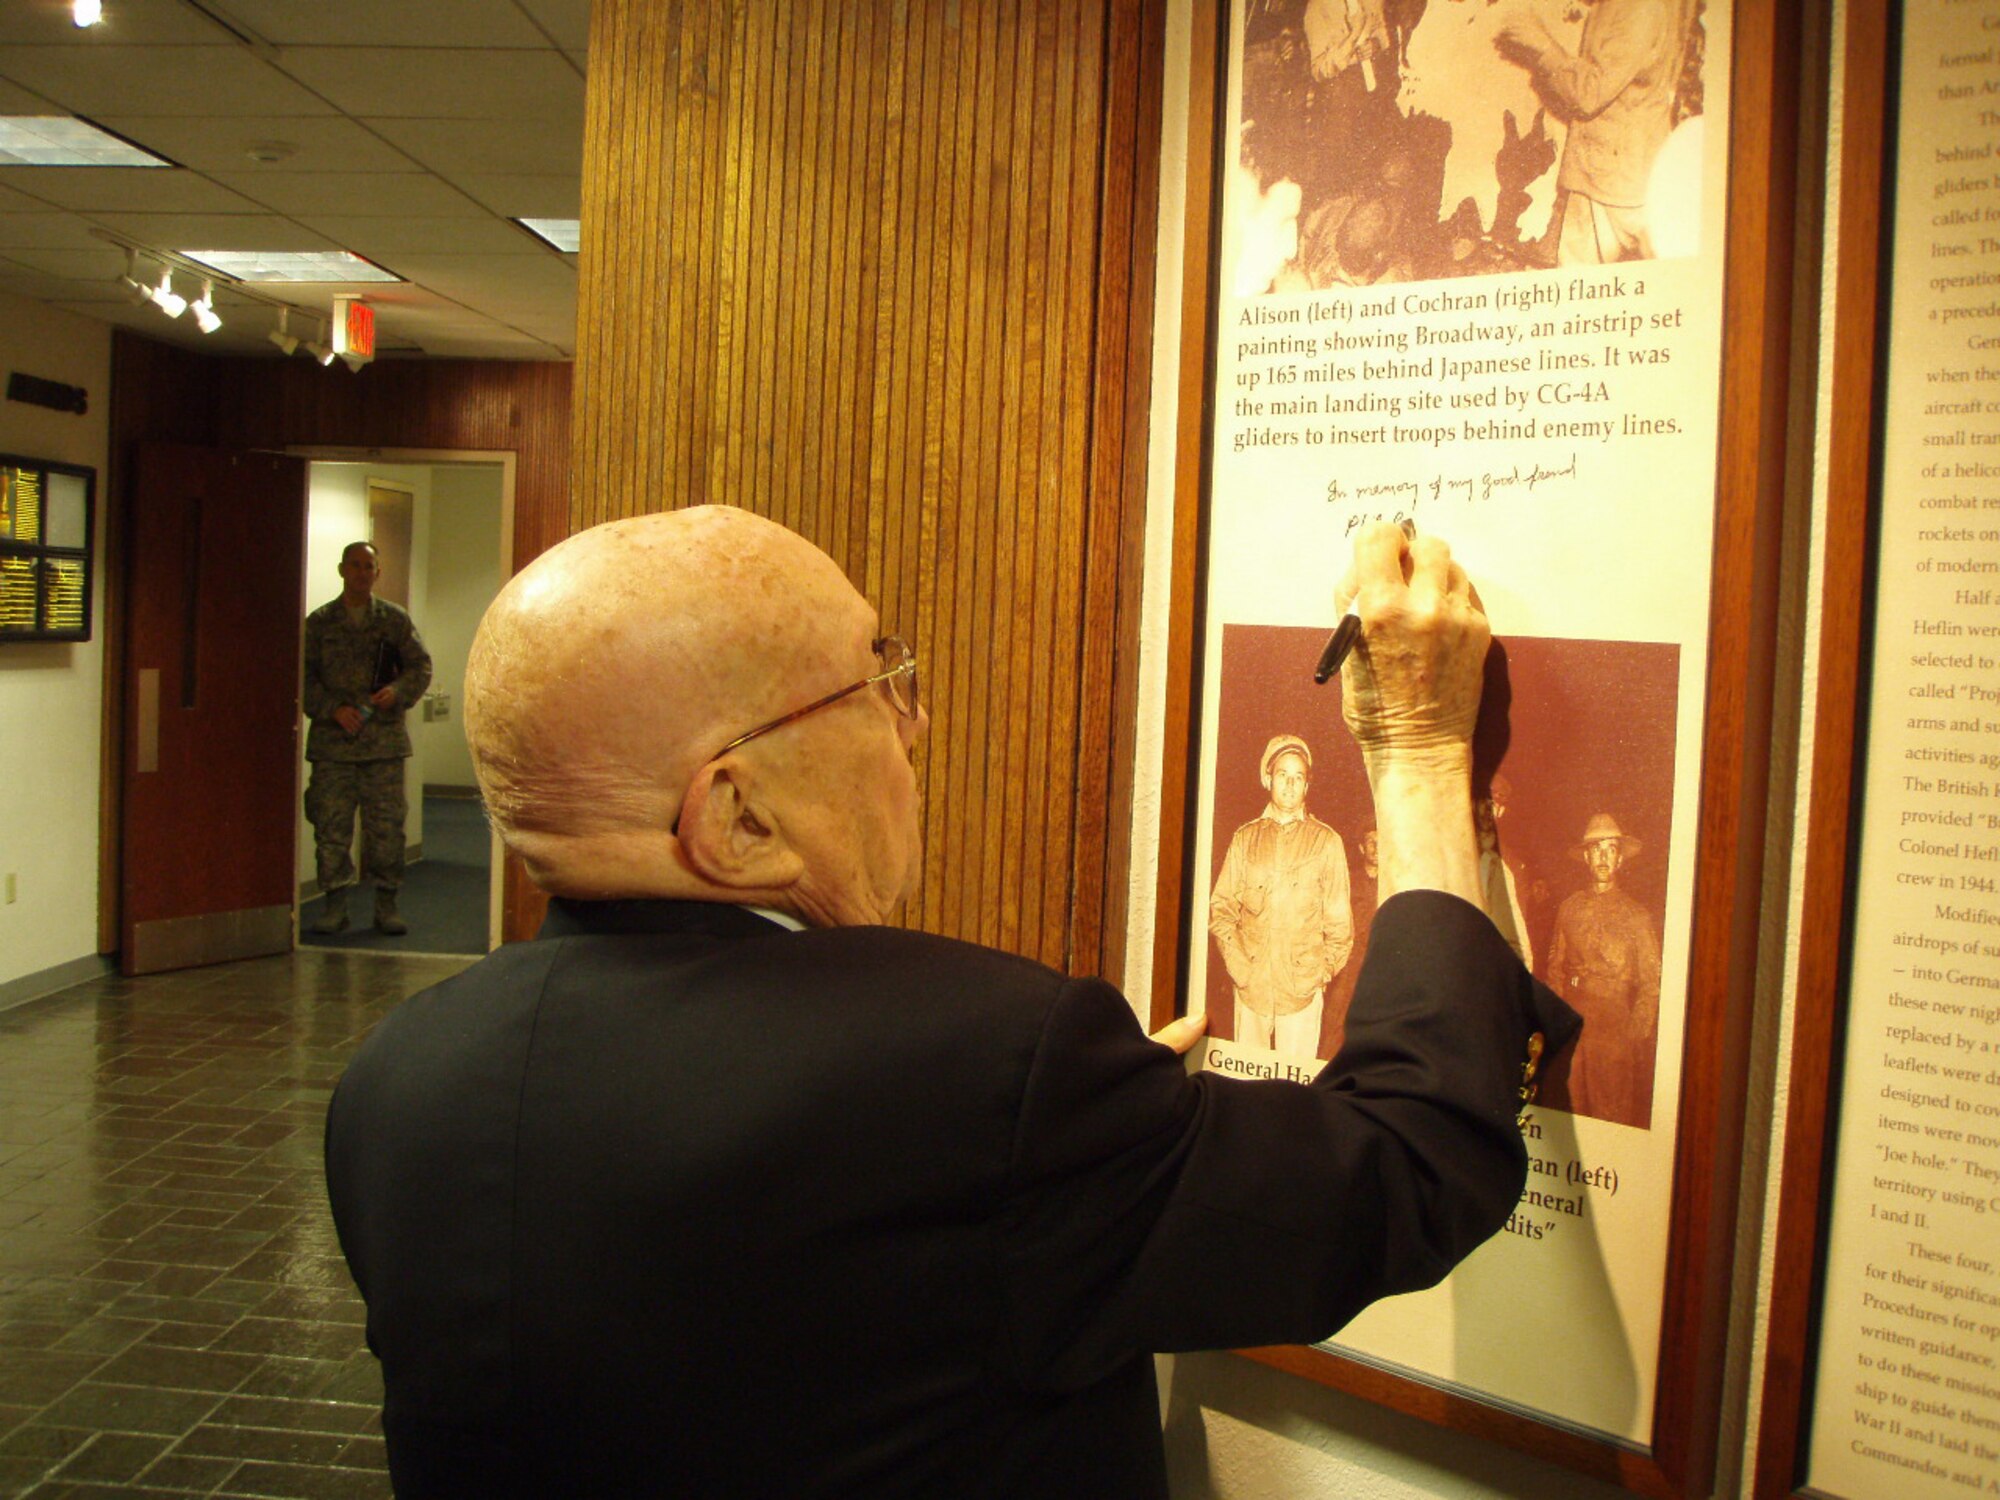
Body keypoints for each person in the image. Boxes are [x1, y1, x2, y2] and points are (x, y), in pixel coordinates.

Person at [323, 510, 1576, 1498]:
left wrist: (1051, 1161)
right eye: (875, 682)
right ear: (736, 814)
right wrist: (1415, 751)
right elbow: (1406, 1168)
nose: (912, 726)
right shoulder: (975, 1076)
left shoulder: (397, 1079)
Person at [1494, 0, 1695, 264]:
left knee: (1579, 284)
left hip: (1609, 183)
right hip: (1626, 169)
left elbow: (1589, 93)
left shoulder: (1638, 9)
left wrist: (1539, 42)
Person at [301, 540, 432, 936]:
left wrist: (398, 693)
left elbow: (420, 667)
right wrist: (330, 709)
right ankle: (334, 905)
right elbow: (301, 678)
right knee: (331, 827)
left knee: (387, 829)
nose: (361, 573)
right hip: (333, 746)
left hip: (382, 744)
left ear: (378, 573)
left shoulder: (394, 620)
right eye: (354, 566)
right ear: (342, 570)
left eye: (369, 566)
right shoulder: (320, 623)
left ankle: (386, 904)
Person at [1207, 734, 1354, 1053]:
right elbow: (1221, 910)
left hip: (1300, 993)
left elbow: (1341, 929)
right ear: (1267, 778)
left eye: (1298, 777)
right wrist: (1238, 965)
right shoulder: (1245, 838)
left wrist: (1320, 974)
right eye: (1282, 775)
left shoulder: (1327, 842)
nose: (1289, 784)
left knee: (1294, 1093)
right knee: (1247, 1085)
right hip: (1251, 989)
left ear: (1307, 786)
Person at [1544, 811, 1660, 1127]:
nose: (1603, 857)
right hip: (1574, 1025)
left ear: (1621, 859)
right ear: (1586, 857)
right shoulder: (1569, 908)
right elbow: (1554, 970)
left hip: (1615, 1028)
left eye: (1610, 849)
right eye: (1596, 849)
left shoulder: (1637, 917)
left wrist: (1633, 1036)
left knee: (1610, 1116)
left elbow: (1652, 982)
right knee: (1570, 1114)